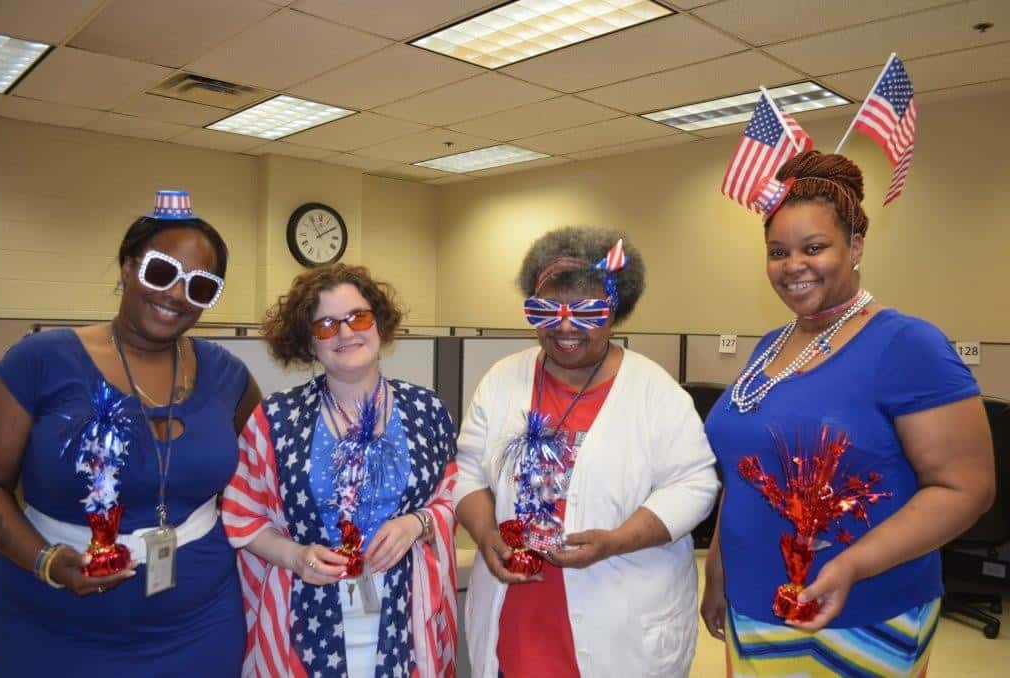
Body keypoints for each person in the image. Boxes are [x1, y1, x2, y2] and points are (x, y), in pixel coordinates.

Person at [701, 151, 995, 676]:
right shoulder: (769, 346)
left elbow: (964, 488)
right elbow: (745, 472)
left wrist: (851, 566)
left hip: (864, 608)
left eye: (814, 247)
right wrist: (719, 569)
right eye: (777, 251)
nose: (793, 265)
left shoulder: (908, 344)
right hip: (756, 603)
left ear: (855, 247)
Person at [0, 190, 262, 676]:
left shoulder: (228, 376)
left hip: (200, 619)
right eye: (161, 272)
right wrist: (47, 562)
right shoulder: (39, 361)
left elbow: (267, 479)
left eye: (201, 286)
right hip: (52, 620)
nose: (177, 294)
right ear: (128, 267)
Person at [455, 226, 720, 677]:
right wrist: (486, 537)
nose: (564, 327)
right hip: (517, 618)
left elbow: (695, 485)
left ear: (614, 312)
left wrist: (616, 541)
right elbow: (467, 473)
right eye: (546, 311)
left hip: (620, 623)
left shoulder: (655, 391)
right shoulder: (502, 379)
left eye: (586, 311)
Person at [222, 263, 459, 677]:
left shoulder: (427, 410)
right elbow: (243, 516)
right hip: (305, 618)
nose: (347, 333)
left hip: (407, 618)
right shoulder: (276, 418)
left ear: (379, 324)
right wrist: (295, 557)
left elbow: (455, 495)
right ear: (310, 343)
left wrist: (417, 524)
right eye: (327, 325)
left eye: (358, 317)